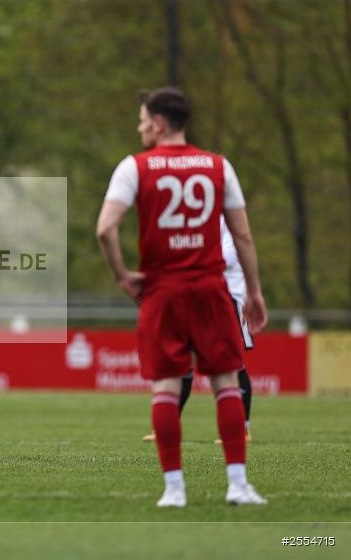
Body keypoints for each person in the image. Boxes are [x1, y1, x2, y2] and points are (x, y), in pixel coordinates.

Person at [96, 87, 268, 507]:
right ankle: (238, 484)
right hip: (211, 288)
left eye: (142, 120)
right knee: (227, 383)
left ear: (158, 123)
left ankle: (174, 490)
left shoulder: (134, 167)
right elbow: (242, 234)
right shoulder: (218, 166)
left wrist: (123, 276)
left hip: (163, 290)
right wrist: (255, 291)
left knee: (166, 390)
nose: (139, 127)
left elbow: (105, 229)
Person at [142, 214, 254, 444]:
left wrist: (193, 257)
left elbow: (231, 257)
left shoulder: (228, 219)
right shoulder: (193, 220)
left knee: (233, 363)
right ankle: (168, 426)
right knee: (185, 360)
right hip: (196, 296)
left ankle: (243, 428)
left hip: (229, 297)